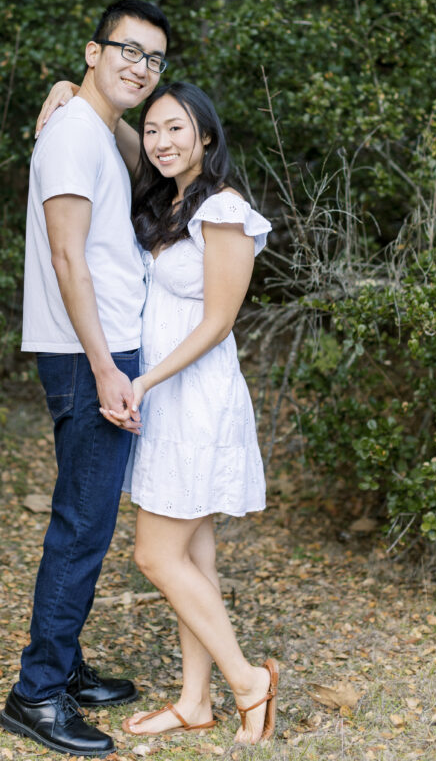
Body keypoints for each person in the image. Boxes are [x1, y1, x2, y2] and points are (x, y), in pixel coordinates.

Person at [38, 79, 279, 746]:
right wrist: (74, 93)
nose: (162, 141)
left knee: (154, 554)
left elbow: (217, 321)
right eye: (151, 129)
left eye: (177, 129)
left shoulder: (223, 210)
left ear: (205, 135)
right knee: (192, 556)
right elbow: (137, 143)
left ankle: (248, 681)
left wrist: (143, 382)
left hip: (193, 394)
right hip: (161, 396)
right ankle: (194, 700)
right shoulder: (168, 198)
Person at [0, 0, 171, 758]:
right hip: (86, 354)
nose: (139, 66)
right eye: (125, 50)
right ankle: (36, 694)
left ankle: (63, 669)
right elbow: (68, 258)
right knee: (81, 525)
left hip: (105, 348)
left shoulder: (93, 130)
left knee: (89, 522)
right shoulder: (71, 139)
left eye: (153, 59)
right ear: (93, 49)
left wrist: (81, 88)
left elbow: (143, 155)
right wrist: (104, 368)